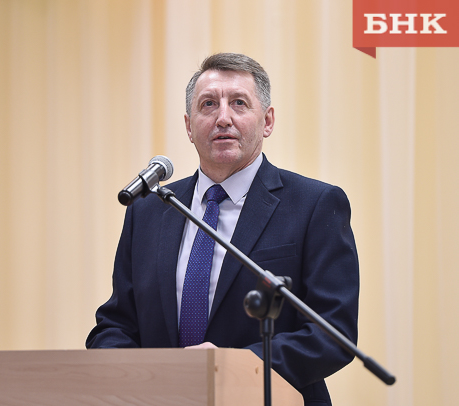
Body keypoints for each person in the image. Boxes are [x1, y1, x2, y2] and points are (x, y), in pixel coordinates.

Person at [86, 53, 359, 406]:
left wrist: (229, 368)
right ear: (189, 126)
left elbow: (333, 334)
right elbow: (116, 324)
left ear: (267, 121)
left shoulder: (314, 204)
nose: (223, 118)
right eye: (209, 104)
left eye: (239, 103)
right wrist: (131, 374)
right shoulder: (150, 210)